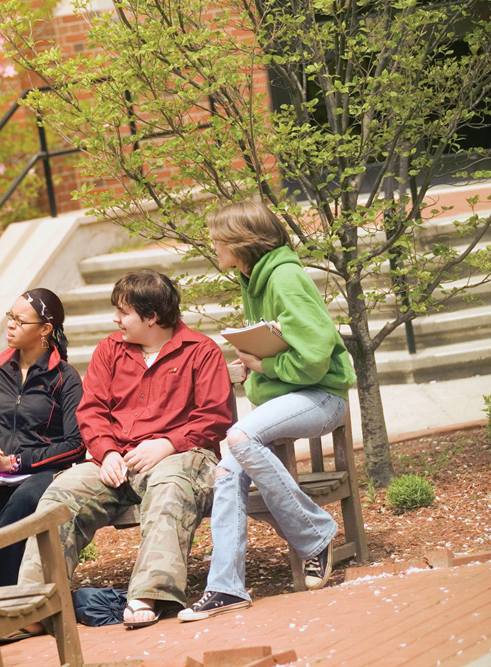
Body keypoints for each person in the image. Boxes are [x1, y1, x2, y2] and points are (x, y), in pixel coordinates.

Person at [16, 269, 233, 632]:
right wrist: (107, 452)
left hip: (181, 456)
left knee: (170, 485)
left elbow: (215, 415)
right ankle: (36, 606)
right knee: (60, 495)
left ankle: (150, 594)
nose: (115, 319)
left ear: (152, 317)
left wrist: (167, 443)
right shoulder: (110, 350)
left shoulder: (201, 351)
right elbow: (91, 410)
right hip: (118, 460)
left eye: (123, 312)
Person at [178, 201, 356, 622]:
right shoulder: (253, 279)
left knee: (239, 437)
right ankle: (226, 586)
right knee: (227, 468)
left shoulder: (284, 278)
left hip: (323, 396)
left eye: (218, 238)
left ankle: (316, 534)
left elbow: (315, 357)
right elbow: (282, 343)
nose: (213, 244)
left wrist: (264, 365)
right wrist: (256, 363)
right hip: (290, 399)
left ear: (242, 242)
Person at [0, 288, 84, 588]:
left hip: (44, 476)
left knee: (24, 499)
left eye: (20, 320)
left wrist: (15, 462)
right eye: (10, 316)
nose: (10, 324)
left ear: (45, 330)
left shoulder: (65, 377)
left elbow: (76, 445)